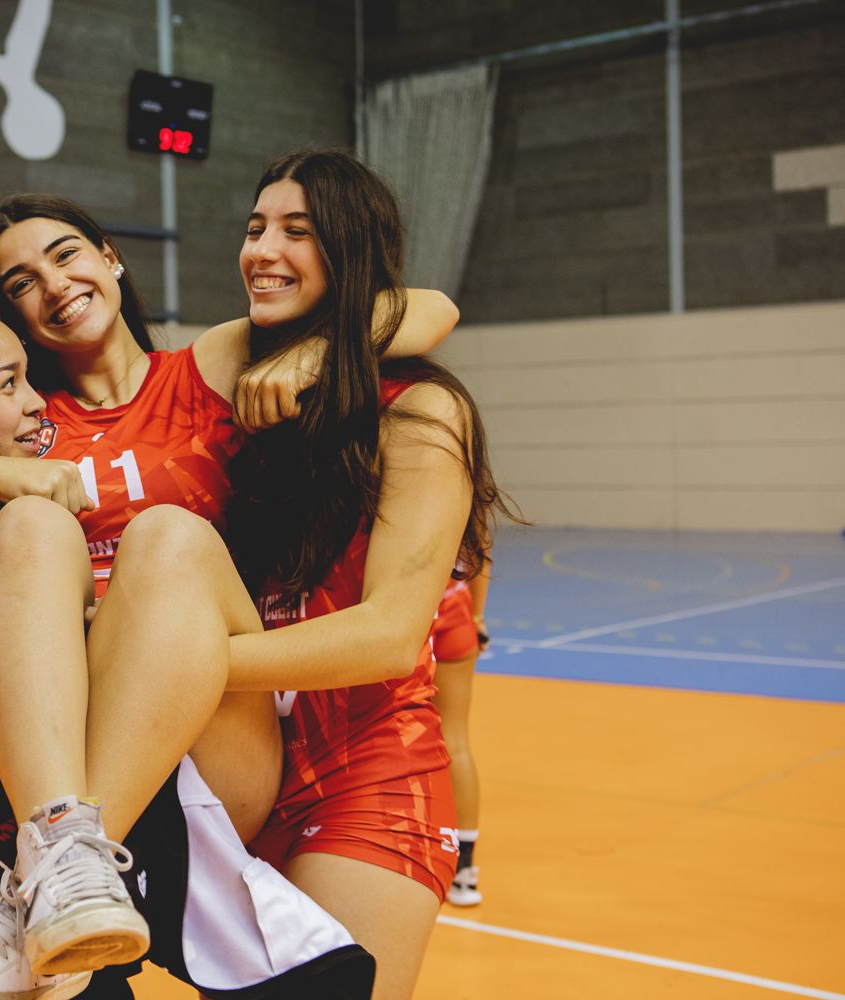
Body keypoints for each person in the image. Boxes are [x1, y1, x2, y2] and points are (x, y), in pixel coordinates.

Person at [0, 304, 376, 1000]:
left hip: (183, 790)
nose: (36, 404)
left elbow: (416, 309)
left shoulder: (128, 422)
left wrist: (149, 660)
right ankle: (57, 868)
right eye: (7, 384)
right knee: (37, 525)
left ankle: (57, 863)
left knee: (169, 537)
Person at [220, 149, 512, 999]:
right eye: (254, 228)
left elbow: (388, 635)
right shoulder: (232, 383)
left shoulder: (419, 409)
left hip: (367, 769)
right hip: (240, 771)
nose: (263, 249)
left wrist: (176, 666)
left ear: (350, 254)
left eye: (297, 232)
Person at [431, 557, 492, 906]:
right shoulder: (465, 500)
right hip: (456, 605)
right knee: (456, 738)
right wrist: (476, 616)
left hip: (413, 616)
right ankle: (464, 872)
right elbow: (480, 550)